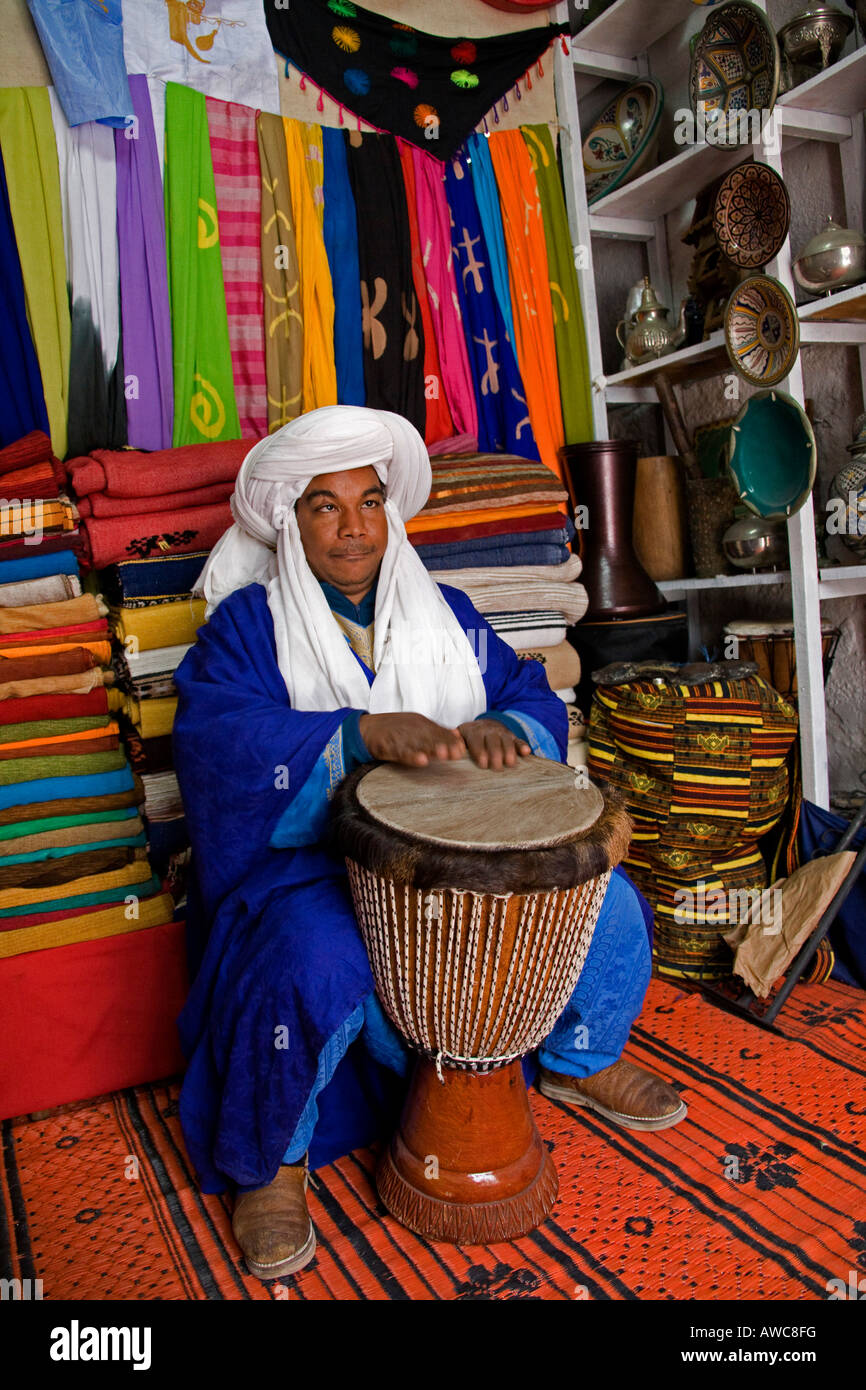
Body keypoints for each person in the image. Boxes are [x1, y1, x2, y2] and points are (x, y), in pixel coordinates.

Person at [173, 405, 686, 1282]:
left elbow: (529, 691)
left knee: (608, 905)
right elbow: (219, 746)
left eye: (369, 502)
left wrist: (502, 725)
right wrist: (359, 734)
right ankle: (272, 1163)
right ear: (291, 522)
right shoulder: (248, 627)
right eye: (325, 507)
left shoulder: (445, 610)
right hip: (317, 868)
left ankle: (575, 1056)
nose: (354, 526)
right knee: (312, 956)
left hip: (464, 864)